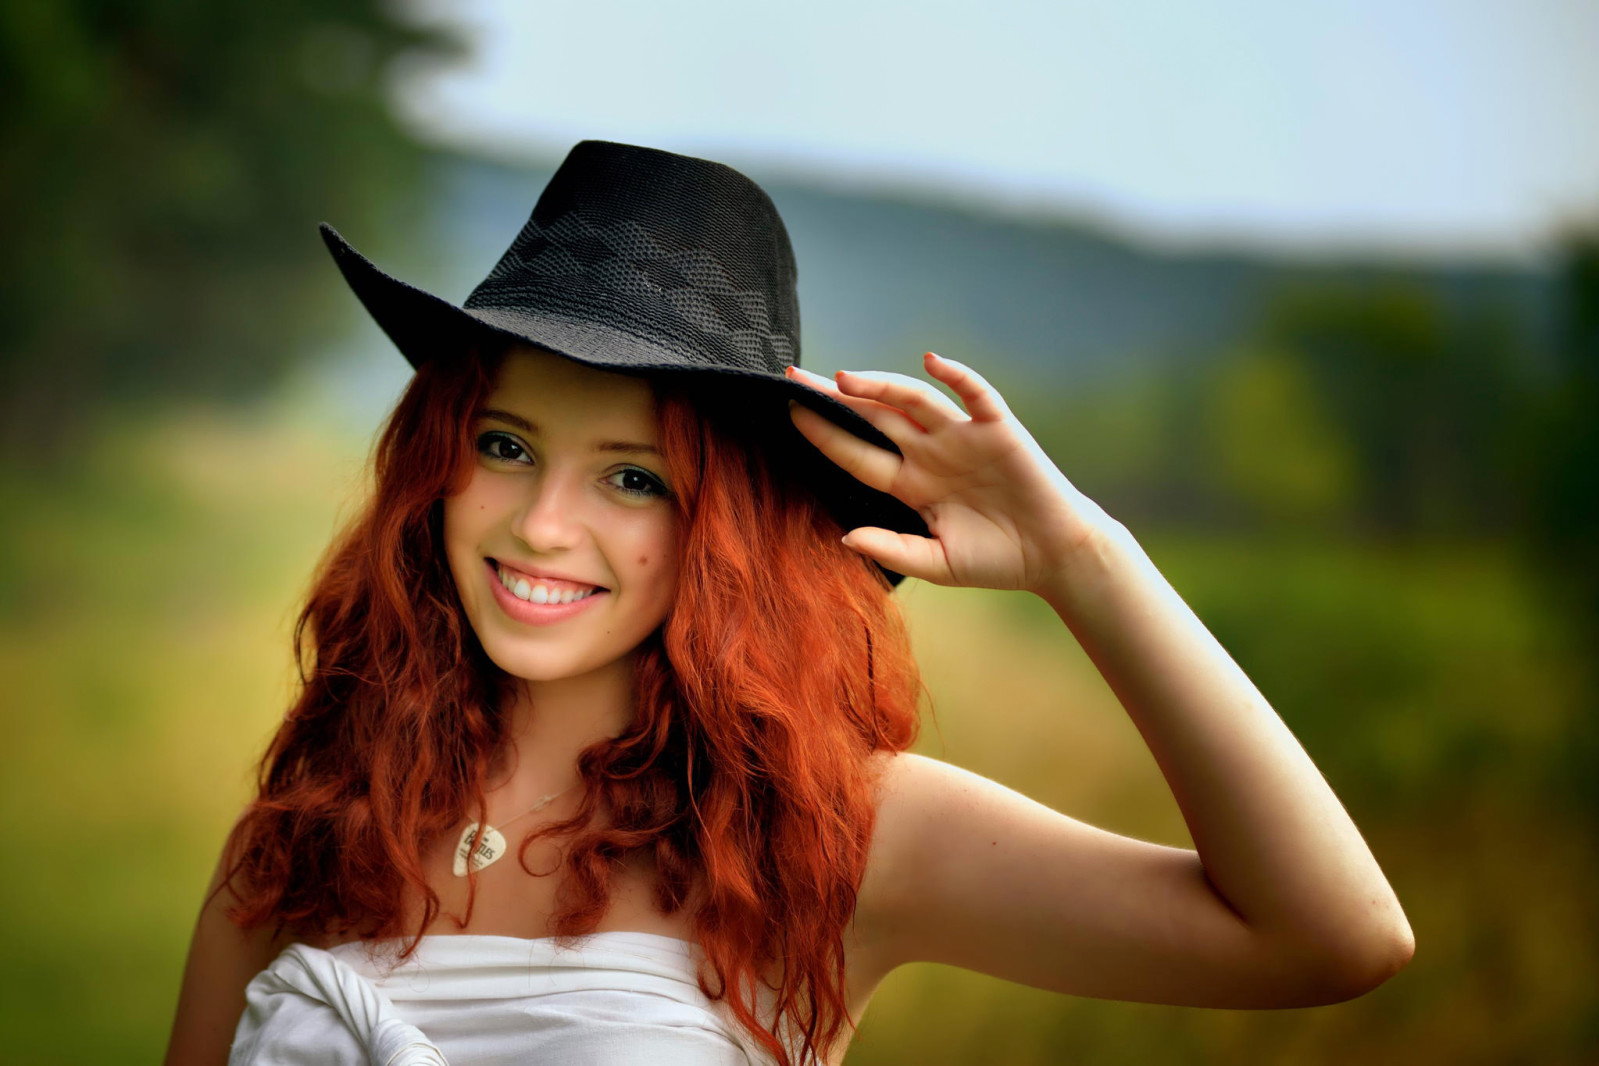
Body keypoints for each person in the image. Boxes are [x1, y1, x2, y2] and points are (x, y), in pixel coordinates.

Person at [163, 140, 1414, 1066]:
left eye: (634, 476)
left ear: (726, 530)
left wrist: (1082, 557)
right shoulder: (307, 828)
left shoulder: (833, 835)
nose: (544, 522)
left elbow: (1330, 935)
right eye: (504, 446)